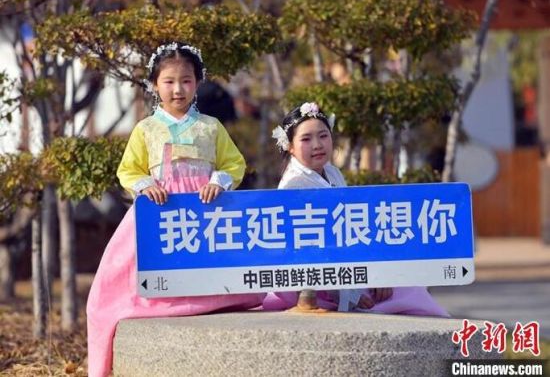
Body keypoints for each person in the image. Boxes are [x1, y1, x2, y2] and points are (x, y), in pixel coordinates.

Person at [86, 42, 264, 377]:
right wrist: (145, 185)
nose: (177, 89)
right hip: (160, 210)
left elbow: (234, 163)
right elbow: (128, 170)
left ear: (197, 83)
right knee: (115, 283)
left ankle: (210, 299)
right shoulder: (146, 129)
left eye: (186, 80)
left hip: (203, 210)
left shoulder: (210, 126)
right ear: (155, 85)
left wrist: (218, 181)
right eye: (168, 81)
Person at [263, 102, 449, 317]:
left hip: (347, 269)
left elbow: (352, 229)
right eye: (306, 139)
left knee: (407, 285)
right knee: (409, 296)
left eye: (323, 136)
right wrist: (352, 293)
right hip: (319, 286)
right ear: (290, 146)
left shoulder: (332, 172)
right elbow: (305, 254)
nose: (317, 145)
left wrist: (377, 273)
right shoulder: (294, 185)